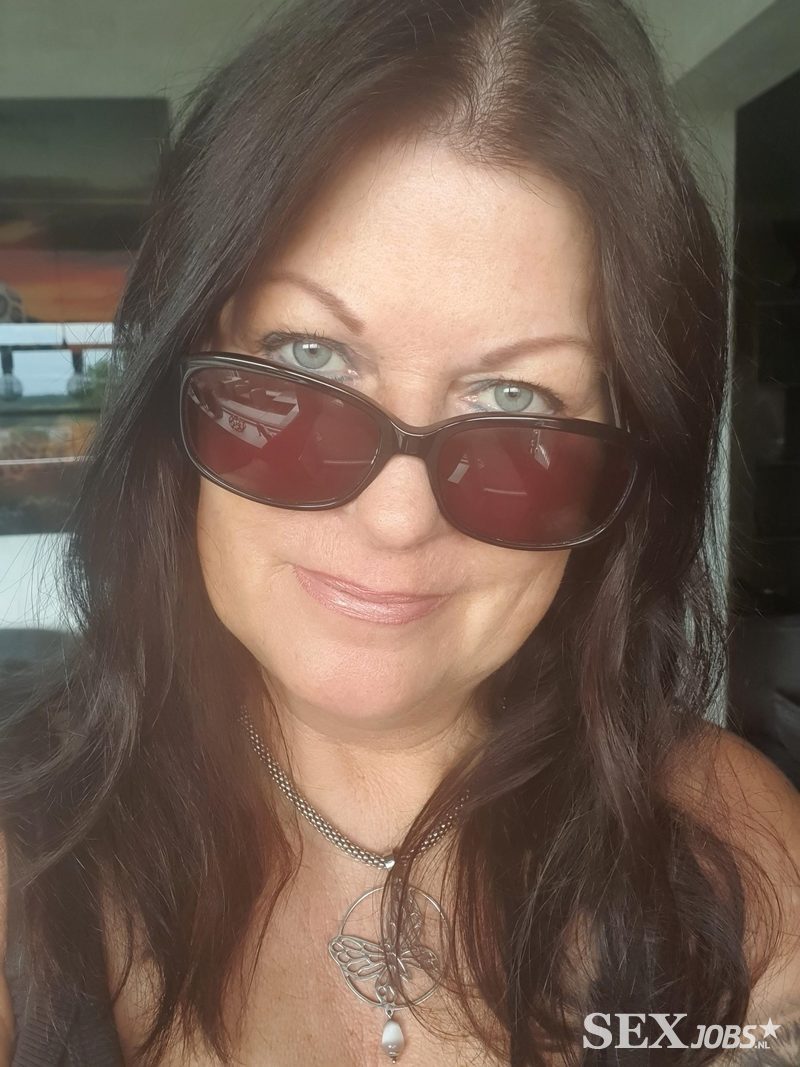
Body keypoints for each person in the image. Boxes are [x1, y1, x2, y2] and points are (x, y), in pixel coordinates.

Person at [1, 0, 799, 1064]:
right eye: (309, 360)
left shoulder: (731, 849)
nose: (395, 517)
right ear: (173, 388)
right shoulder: (25, 860)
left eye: (515, 401)